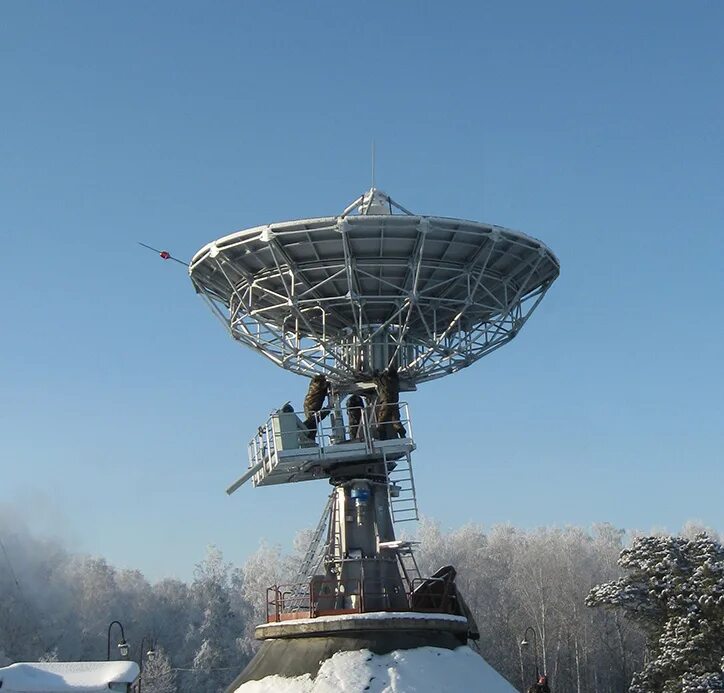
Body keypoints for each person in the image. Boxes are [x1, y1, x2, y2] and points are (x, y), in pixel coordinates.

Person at [373, 365, 406, 440]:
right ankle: (402, 435)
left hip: (386, 403)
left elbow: (377, 380)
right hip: (394, 403)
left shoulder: (385, 380)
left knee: (382, 421)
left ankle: (382, 437)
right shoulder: (395, 380)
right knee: (396, 421)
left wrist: (375, 374)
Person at [302, 374, 330, 440]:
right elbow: (324, 386)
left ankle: (308, 436)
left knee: (313, 422)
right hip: (311, 406)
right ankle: (305, 431)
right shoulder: (317, 384)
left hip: (310, 406)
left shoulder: (314, 385)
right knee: (313, 420)